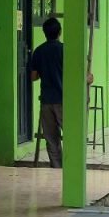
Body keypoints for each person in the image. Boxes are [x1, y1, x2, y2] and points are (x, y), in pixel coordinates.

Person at [30, 17, 64, 168]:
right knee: (71, 136)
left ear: (44, 33)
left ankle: (56, 168)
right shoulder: (64, 50)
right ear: (59, 32)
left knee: (51, 138)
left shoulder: (39, 51)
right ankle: (72, 168)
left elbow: (33, 77)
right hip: (64, 100)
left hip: (46, 100)